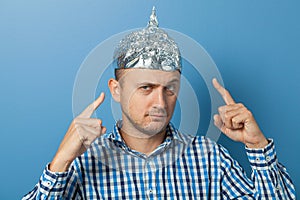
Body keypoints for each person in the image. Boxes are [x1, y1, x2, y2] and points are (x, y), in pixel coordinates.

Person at [23, 7, 296, 199]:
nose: (160, 103)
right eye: (146, 88)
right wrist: (60, 163)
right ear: (116, 90)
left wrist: (258, 146)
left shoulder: (209, 158)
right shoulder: (84, 162)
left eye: (170, 89)